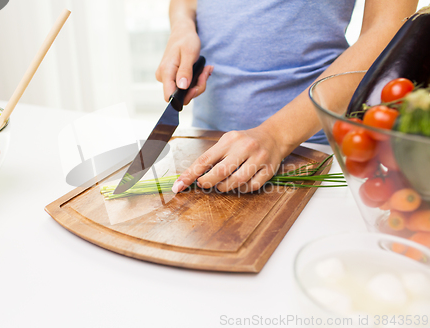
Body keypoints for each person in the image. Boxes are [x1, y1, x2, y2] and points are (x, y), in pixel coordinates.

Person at [155, 0, 418, 194]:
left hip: (309, 155)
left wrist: (276, 136)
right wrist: (182, 25)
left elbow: (387, 31)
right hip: (206, 144)